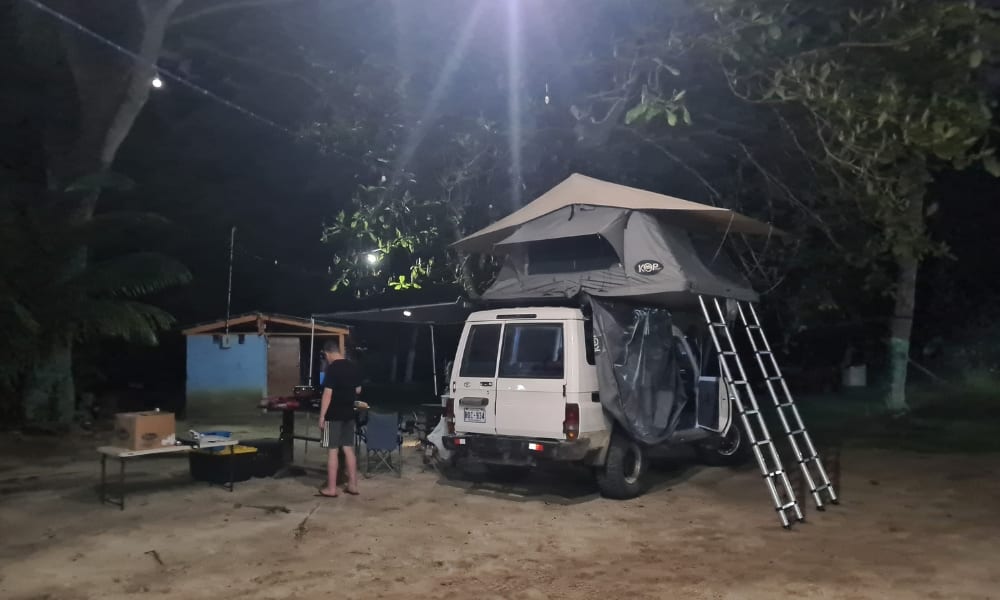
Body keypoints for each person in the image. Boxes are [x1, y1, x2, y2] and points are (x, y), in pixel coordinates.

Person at [317, 340, 362, 497]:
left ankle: (331, 488)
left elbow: (327, 394)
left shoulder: (332, 369)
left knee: (332, 451)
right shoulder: (352, 366)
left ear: (328, 353)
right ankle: (353, 485)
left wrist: (322, 416)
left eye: (325, 356)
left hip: (333, 415)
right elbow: (358, 389)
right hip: (349, 414)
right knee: (348, 449)